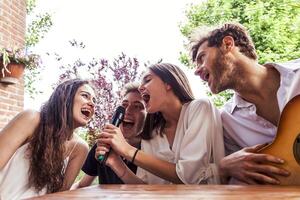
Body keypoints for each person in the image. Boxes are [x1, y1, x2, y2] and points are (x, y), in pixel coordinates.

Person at [189, 22, 300, 184]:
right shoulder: (226, 122)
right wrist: (223, 166)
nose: (196, 70)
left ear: (228, 44)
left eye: (201, 58)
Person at [96, 63, 224, 184]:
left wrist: (127, 150)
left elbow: (189, 176)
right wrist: (116, 163)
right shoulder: (151, 135)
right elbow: (145, 188)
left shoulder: (200, 107)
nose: (140, 88)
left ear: (168, 83)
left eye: (147, 80)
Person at [0, 78, 95, 199]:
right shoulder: (31, 119)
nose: (92, 104)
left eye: (94, 100)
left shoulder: (80, 148)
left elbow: (60, 196)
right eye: (85, 96)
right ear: (65, 97)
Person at [71, 82, 147, 188]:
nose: (127, 111)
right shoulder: (103, 145)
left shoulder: (151, 151)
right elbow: (82, 185)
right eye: (124, 105)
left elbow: (152, 192)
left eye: (137, 106)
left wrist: (115, 162)